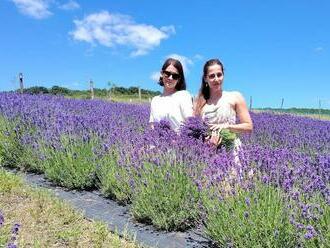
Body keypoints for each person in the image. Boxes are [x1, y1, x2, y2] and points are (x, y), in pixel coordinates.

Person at [193, 58, 253, 148]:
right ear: (206, 79)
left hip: (231, 149)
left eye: (219, 75)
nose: (216, 79)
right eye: (212, 76)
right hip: (207, 151)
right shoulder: (199, 101)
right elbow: (194, 128)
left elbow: (248, 127)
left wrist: (227, 127)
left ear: (223, 75)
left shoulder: (235, 97)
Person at [149, 58, 193, 132]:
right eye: (167, 73)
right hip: (157, 142)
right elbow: (152, 126)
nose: (170, 78)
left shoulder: (183, 95)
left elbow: (190, 122)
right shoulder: (155, 100)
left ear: (179, 79)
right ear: (162, 73)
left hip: (180, 142)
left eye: (175, 76)